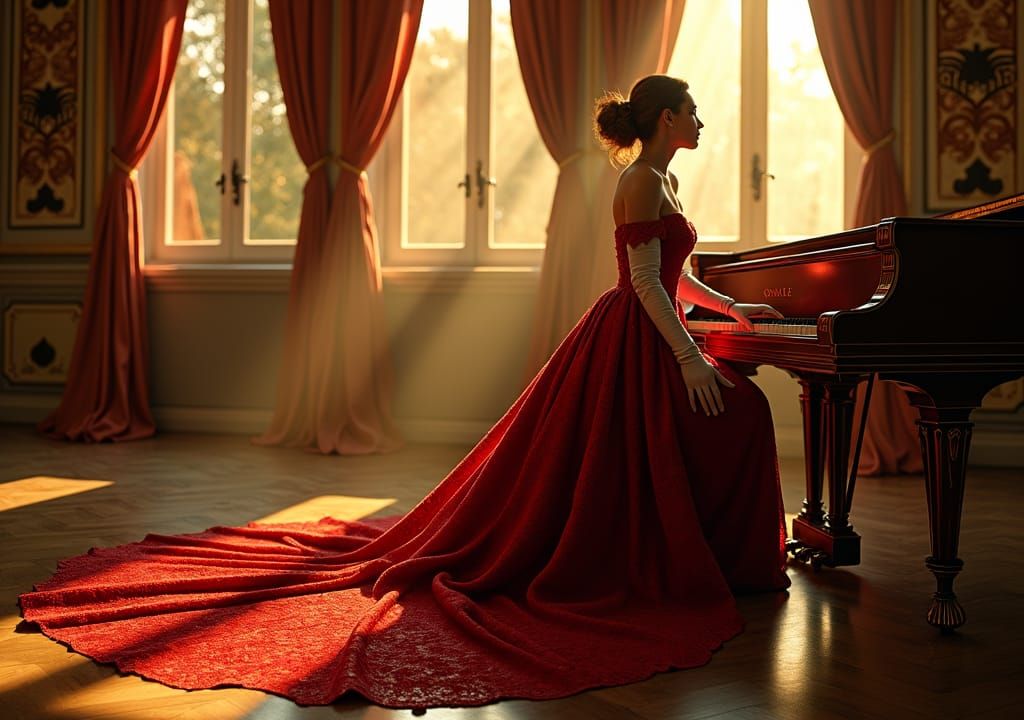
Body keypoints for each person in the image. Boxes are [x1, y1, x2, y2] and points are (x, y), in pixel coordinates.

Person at [18, 74, 790, 711]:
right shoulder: (637, 181)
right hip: (635, 336)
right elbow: (647, 285)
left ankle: (712, 559)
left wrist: (732, 310)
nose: (701, 120)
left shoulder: (668, 177)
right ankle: (691, 561)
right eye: (691, 110)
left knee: (739, 418)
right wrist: (690, 357)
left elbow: (680, 274)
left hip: (653, 332)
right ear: (663, 118)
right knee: (737, 416)